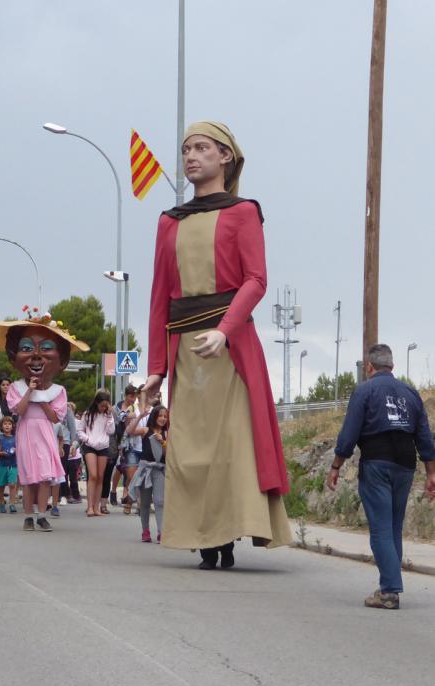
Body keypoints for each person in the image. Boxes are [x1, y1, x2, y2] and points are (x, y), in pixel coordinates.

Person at [144, 121, 291, 569]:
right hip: (185, 348)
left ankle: (227, 534)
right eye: (186, 148)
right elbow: (159, 298)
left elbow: (257, 280)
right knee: (189, 449)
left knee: (231, 445)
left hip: (230, 349)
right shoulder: (170, 222)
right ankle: (202, 535)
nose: (191, 155)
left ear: (225, 156)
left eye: (202, 147)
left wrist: (225, 329)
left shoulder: (244, 212)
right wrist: (155, 368)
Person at [326, 344, 435, 609]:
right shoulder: (411, 393)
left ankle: (389, 591)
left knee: (381, 529)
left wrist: (337, 465)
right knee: (394, 526)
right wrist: (431, 472)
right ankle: (391, 584)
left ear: (369, 367)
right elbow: (424, 435)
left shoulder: (365, 390)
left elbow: (350, 431)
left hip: (377, 463)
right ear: (392, 366)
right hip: (406, 465)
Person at [0, 308, 89, 532]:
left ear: (61, 360)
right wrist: (30, 391)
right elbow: (19, 411)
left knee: (44, 476)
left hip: (45, 432)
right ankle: (28, 516)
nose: (36, 355)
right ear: (14, 356)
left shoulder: (59, 391)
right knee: (28, 477)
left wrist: (42, 396)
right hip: (25, 432)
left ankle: (42, 515)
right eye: (26, 348)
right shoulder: (16, 388)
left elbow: (55, 417)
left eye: (45, 348)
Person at [128, 405, 168, 543]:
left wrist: (162, 442)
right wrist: (140, 416)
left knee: (159, 501)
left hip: (159, 470)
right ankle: (145, 530)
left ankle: (161, 532)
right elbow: (129, 431)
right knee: (144, 502)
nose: (162, 418)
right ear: (154, 416)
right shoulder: (146, 430)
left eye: (165, 416)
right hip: (145, 470)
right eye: (160, 415)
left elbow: (171, 452)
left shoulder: (167, 433)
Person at [78, 390, 116, 517]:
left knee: (100, 476)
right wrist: (88, 439)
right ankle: (89, 507)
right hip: (90, 446)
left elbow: (111, 431)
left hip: (103, 447)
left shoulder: (107, 415)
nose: (104, 408)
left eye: (106, 405)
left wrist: (110, 415)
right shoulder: (88, 414)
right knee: (93, 475)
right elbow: (80, 431)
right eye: (102, 405)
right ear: (97, 403)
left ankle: (96, 507)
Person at [110, 386, 139, 508]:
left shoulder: (135, 408)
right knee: (119, 467)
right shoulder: (116, 407)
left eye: (135, 396)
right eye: (131, 396)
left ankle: (126, 494)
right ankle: (113, 490)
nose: (133, 399)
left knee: (128, 469)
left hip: (129, 441)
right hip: (117, 439)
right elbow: (118, 419)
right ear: (126, 395)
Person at [0, 416, 18, 513]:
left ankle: (12, 503)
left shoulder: (16, 438)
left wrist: (16, 451)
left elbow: (19, 449)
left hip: (13, 465)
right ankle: (1, 502)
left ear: (12, 426)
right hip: (1, 464)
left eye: (9, 424)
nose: (7, 426)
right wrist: (1, 454)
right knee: (1, 485)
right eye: (5, 424)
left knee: (12, 484)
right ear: (1, 426)